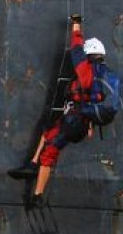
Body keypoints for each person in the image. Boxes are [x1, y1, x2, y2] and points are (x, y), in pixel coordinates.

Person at [8, 14, 108, 208]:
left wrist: (76, 25)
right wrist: (91, 126)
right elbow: (98, 101)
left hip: (74, 121)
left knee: (50, 152)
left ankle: (37, 196)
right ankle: (32, 164)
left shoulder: (85, 68)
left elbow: (76, 47)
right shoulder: (103, 75)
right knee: (47, 130)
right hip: (78, 121)